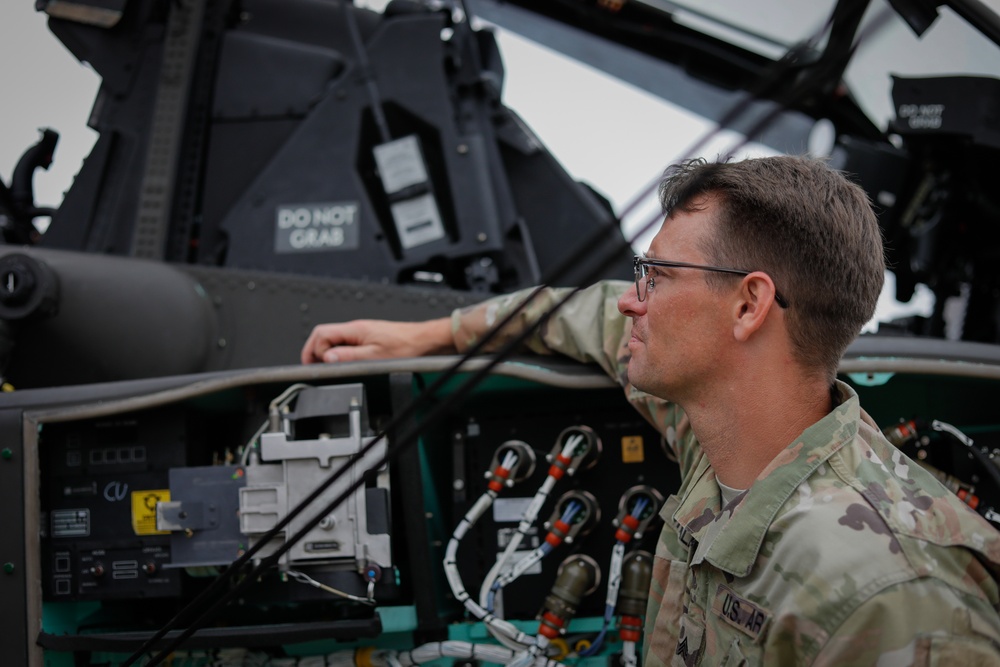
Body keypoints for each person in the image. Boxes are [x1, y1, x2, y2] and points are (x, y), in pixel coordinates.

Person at [301, 156, 1000, 665]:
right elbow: (597, 316)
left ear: (750, 304)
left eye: (657, 276)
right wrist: (432, 335)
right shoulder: (719, 439)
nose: (634, 298)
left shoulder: (891, 595)